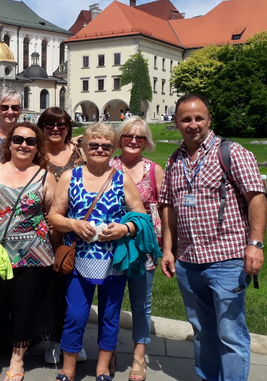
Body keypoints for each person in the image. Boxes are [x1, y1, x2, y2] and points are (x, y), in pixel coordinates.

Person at [160, 94, 267, 381]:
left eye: (199, 118)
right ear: (176, 123)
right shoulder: (175, 159)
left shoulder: (231, 152)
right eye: (186, 119)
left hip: (227, 259)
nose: (193, 124)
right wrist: (167, 250)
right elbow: (168, 207)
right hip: (188, 260)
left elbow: (256, 197)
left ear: (209, 120)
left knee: (231, 333)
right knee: (202, 330)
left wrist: (255, 245)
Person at [48, 123, 147, 381]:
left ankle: (102, 368)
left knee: (110, 315)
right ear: (83, 148)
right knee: (76, 314)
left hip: (113, 260)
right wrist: (73, 224)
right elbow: (54, 216)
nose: (100, 150)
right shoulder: (70, 177)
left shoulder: (121, 179)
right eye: (94, 145)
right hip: (79, 259)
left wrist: (124, 228)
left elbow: (142, 218)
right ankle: (68, 369)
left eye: (106, 146)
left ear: (113, 149)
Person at [0, 123, 57, 381]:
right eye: (18, 139)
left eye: (30, 141)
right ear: (9, 143)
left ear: (38, 147)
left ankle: (17, 362)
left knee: (24, 308)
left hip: (33, 257)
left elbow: (51, 214)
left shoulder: (45, 177)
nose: (23, 145)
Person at [108, 117, 164, 381]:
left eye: (139, 138)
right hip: (112, 242)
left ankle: (139, 357)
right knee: (111, 302)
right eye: (128, 136)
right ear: (119, 139)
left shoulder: (154, 170)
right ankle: (109, 350)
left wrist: (165, 247)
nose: (132, 141)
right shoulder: (107, 164)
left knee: (141, 303)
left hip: (141, 244)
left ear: (146, 142)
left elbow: (164, 212)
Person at [36, 107, 86, 365]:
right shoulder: (34, 151)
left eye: (62, 125)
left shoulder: (80, 152)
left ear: (69, 128)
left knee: (74, 285)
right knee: (49, 286)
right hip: (39, 232)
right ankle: (52, 338)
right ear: (41, 127)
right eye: (49, 125)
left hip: (72, 230)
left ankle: (72, 338)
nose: (56, 129)